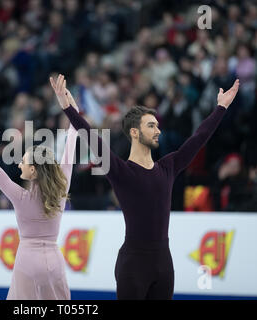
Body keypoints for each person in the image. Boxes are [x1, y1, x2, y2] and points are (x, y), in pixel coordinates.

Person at [62, 76, 240, 299]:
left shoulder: (168, 166)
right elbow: (90, 137)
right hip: (132, 266)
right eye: (151, 125)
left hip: (164, 265)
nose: (158, 130)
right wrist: (68, 108)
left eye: (157, 125)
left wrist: (221, 108)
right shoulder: (120, 171)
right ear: (135, 132)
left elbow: (199, 138)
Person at [0, 74, 78, 300]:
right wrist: (69, 107)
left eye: (23, 161)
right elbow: (72, 140)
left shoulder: (20, 196)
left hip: (27, 262)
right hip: (55, 262)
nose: (19, 163)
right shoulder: (61, 186)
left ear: (34, 170)